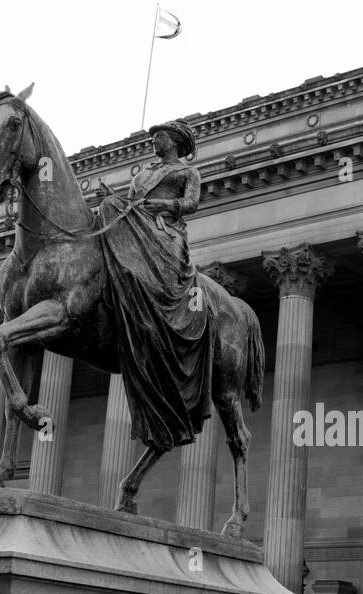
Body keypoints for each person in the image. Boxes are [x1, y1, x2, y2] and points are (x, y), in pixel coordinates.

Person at [96, 119, 211, 452]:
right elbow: (128, 204)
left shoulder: (188, 173)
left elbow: (190, 204)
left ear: (172, 141)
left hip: (164, 233)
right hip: (136, 227)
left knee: (136, 268)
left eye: (158, 136)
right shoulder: (143, 173)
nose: (153, 141)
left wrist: (163, 205)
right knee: (106, 208)